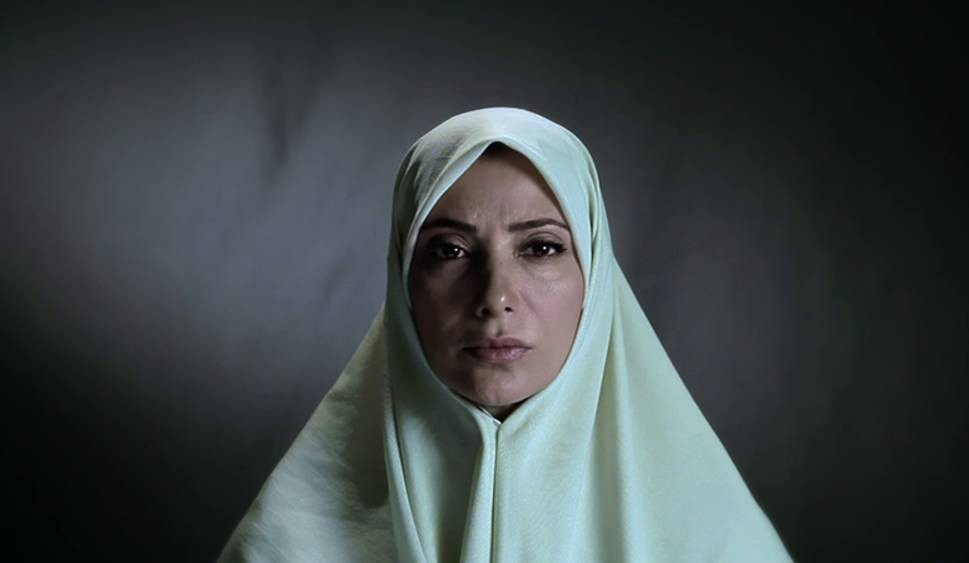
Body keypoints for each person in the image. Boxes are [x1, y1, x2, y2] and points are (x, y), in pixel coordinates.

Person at [219, 107, 792, 562]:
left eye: (540, 247)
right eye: (450, 250)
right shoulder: (293, 536)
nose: (495, 296)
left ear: (593, 277)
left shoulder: (712, 535)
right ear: (404, 280)